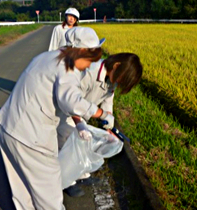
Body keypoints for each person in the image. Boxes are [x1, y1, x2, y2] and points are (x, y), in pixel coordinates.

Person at [0, 27, 113, 210]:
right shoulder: (68, 69)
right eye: (90, 60)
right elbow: (71, 101)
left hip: (7, 124)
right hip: (30, 133)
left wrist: (82, 122)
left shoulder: (47, 57)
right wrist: (101, 114)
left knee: (20, 178)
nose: (90, 66)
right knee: (48, 176)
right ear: (81, 52)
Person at [58, 52, 143, 197]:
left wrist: (108, 125)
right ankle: (66, 181)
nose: (118, 84)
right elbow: (71, 101)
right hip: (65, 113)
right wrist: (79, 123)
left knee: (84, 142)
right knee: (68, 143)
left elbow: (107, 101)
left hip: (84, 113)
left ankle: (81, 175)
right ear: (116, 66)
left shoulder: (112, 78)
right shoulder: (89, 72)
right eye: (122, 80)